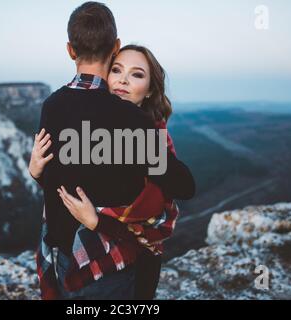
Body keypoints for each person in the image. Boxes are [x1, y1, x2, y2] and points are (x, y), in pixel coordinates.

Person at [29, 2, 195, 300]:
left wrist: (37, 173)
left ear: (70, 50)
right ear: (115, 46)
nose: (124, 79)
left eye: (136, 74)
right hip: (108, 266)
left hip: (65, 260)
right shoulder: (132, 120)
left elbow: (66, 179)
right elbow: (183, 185)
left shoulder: (51, 106)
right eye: (118, 69)